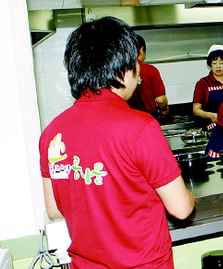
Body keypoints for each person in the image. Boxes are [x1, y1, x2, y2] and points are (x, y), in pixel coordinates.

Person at [39, 17, 196, 268]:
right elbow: (181, 209)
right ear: (124, 69)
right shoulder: (139, 126)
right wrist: (189, 196)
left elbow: (55, 208)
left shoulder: (52, 133)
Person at [192, 45, 223, 131]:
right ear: (210, 64)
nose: (218, 66)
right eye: (214, 63)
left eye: (221, 63)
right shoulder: (202, 84)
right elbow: (196, 109)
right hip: (211, 129)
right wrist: (211, 115)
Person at [127, 34, 170, 118]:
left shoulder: (121, 71)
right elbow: (160, 100)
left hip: (129, 118)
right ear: (141, 50)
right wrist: (164, 109)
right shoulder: (150, 70)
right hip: (148, 117)